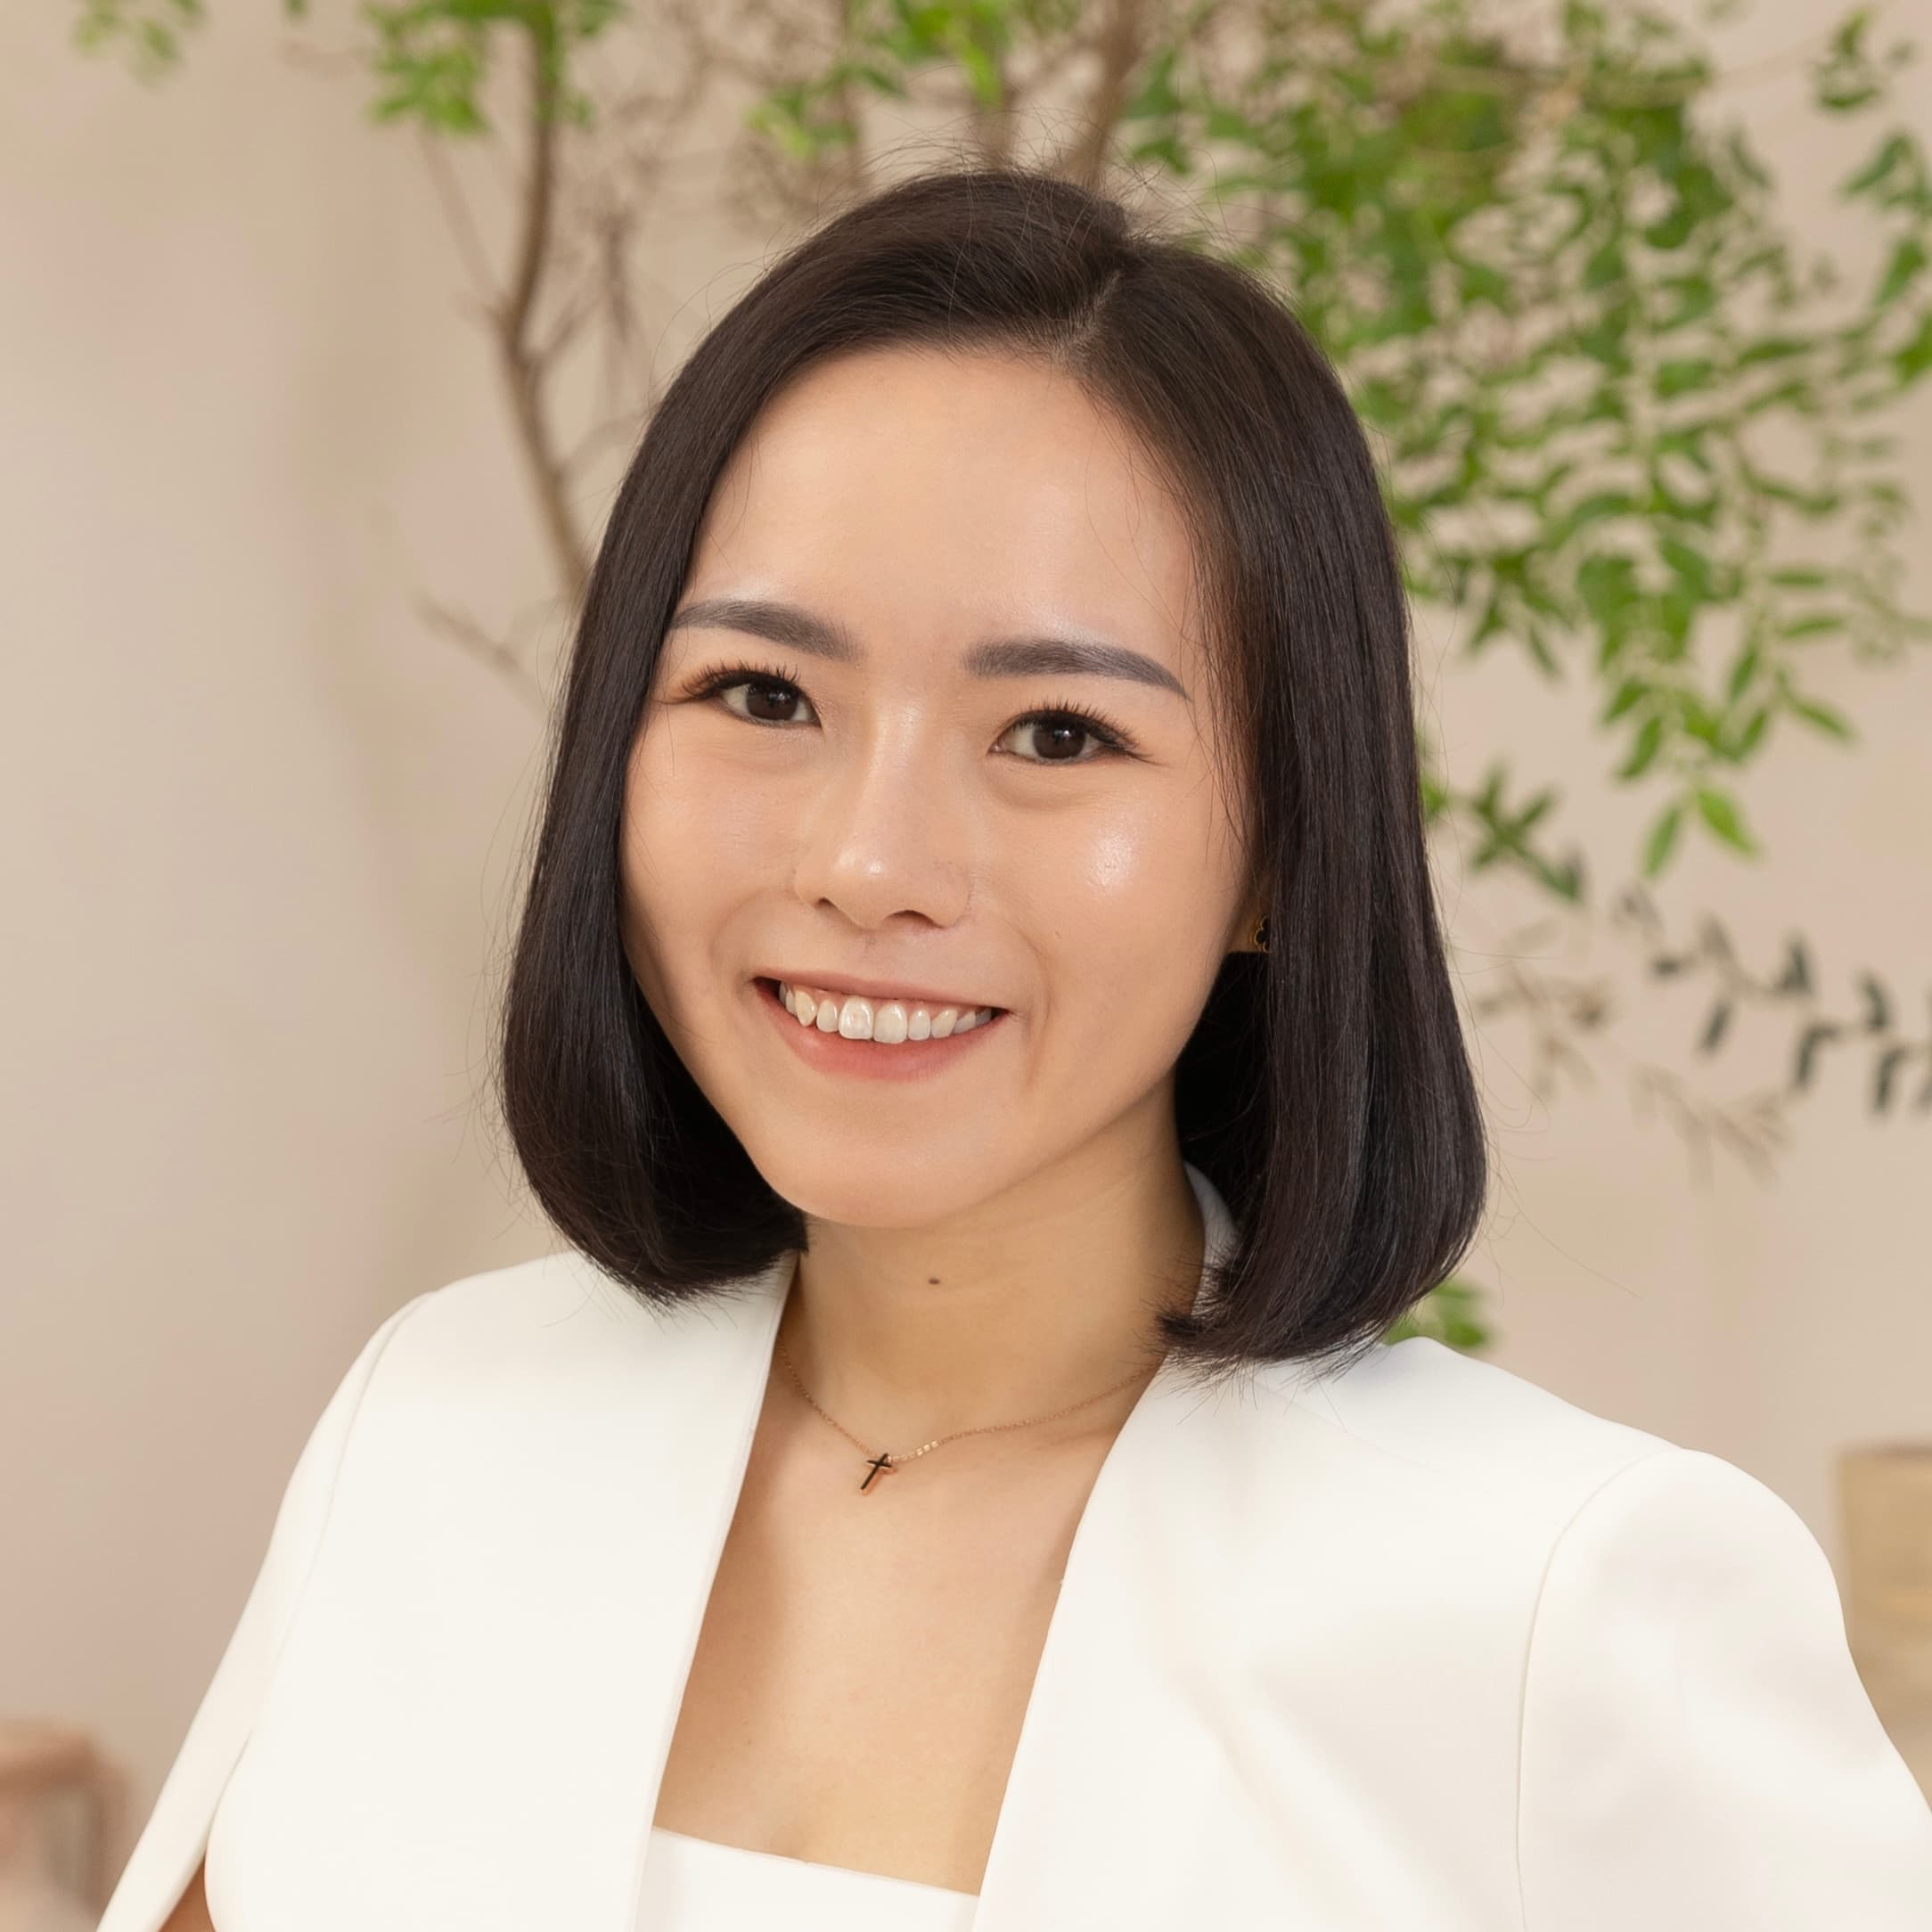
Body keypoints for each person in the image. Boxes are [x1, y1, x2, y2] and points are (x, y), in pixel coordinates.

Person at [104, 163, 1932, 1932]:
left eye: (1057, 734)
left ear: (1279, 852)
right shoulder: (437, 1427)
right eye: (763, 693)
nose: (869, 863)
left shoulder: (1567, 1600)